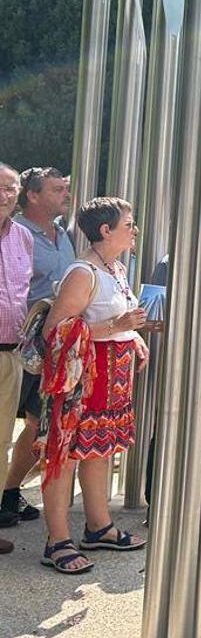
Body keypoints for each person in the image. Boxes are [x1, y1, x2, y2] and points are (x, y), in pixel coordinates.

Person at [39, 197, 151, 574]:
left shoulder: (114, 268)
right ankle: (57, 540)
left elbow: (112, 321)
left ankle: (98, 526)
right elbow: (55, 330)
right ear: (106, 230)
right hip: (82, 381)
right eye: (129, 223)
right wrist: (118, 328)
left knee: (98, 451)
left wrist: (131, 336)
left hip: (109, 381)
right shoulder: (83, 272)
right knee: (65, 454)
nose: (134, 230)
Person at [3, 167, 74, 524]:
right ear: (32, 196)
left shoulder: (63, 234)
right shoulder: (17, 234)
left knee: (34, 423)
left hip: (44, 349)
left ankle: (9, 493)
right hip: (17, 345)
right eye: (57, 189)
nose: (65, 194)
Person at [0, 162, 32, 552]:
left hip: (11, 356)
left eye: (12, 188)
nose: (6, 194)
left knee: (1, 441)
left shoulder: (22, 237)